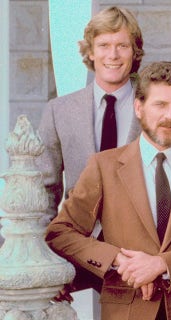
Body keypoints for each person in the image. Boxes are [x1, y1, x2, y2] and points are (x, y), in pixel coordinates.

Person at [45, 61, 171, 320]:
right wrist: (119, 261)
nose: (170, 116)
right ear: (138, 107)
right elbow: (60, 232)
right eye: (160, 105)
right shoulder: (104, 166)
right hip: (126, 307)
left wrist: (162, 264)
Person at [37, 6, 144, 294]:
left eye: (122, 45)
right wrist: (44, 260)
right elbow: (44, 191)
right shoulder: (59, 110)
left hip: (139, 259)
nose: (113, 55)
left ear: (134, 52)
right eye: (104, 45)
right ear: (91, 51)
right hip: (76, 255)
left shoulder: (153, 107)